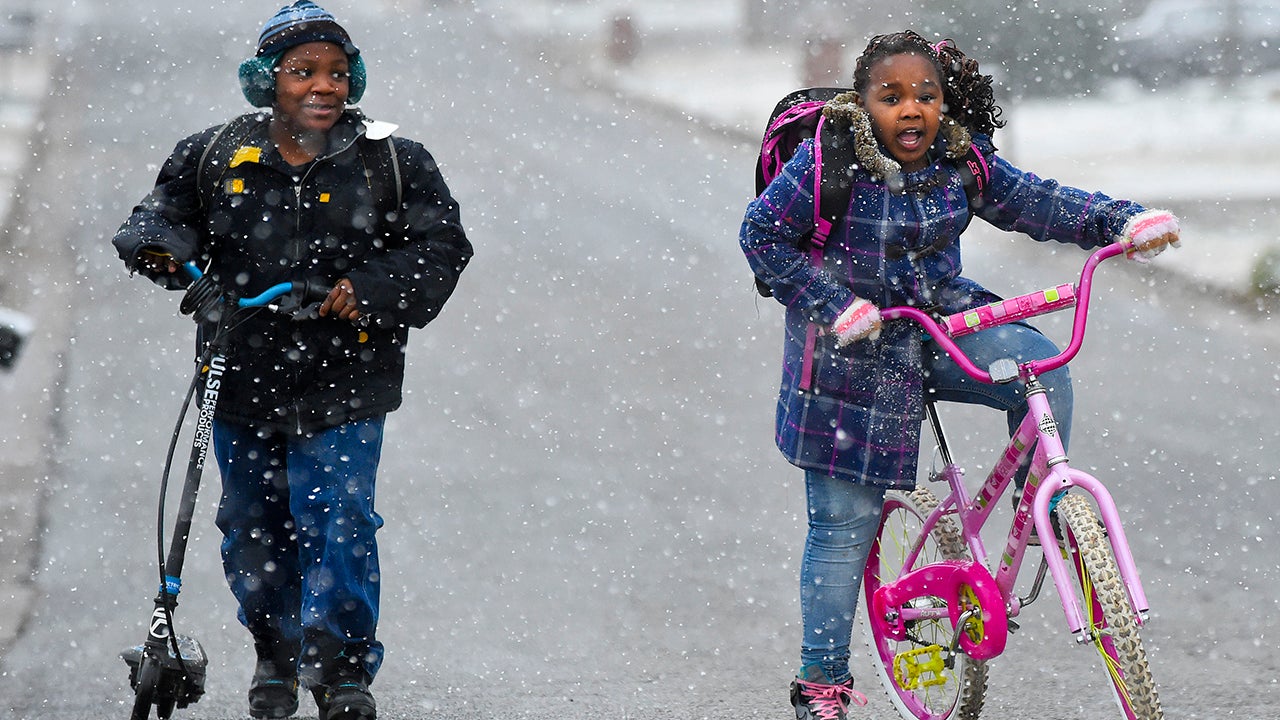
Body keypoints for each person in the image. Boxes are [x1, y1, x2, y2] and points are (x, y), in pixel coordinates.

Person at [738, 30, 1180, 720]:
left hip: (941, 325)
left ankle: (1047, 514)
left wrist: (1122, 222)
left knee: (1039, 369)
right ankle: (822, 686)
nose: (911, 110)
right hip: (848, 353)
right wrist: (833, 303)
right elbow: (760, 237)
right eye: (891, 97)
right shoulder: (828, 162)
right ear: (862, 103)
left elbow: (1036, 201)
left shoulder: (958, 159)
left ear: (945, 103)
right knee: (842, 525)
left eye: (926, 95)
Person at [112, 3, 473, 719]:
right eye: (303, 71)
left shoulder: (392, 162)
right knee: (252, 524)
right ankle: (274, 654)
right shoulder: (215, 154)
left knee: (338, 516)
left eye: (338, 72)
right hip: (241, 371)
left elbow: (440, 249)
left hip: (348, 378)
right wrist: (174, 262)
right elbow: (155, 222)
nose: (325, 86)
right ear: (265, 79)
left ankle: (341, 672)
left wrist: (362, 291)